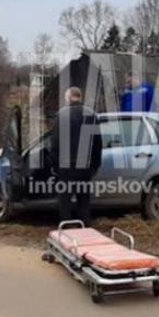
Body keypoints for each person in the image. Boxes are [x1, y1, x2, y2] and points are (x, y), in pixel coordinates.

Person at [49, 87, 103, 224]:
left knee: (65, 199)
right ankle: (84, 227)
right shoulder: (91, 115)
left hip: (66, 165)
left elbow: (55, 142)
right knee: (84, 199)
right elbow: (97, 143)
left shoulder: (61, 115)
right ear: (80, 97)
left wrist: (54, 164)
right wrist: (95, 165)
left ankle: (66, 228)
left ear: (68, 97)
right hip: (85, 164)